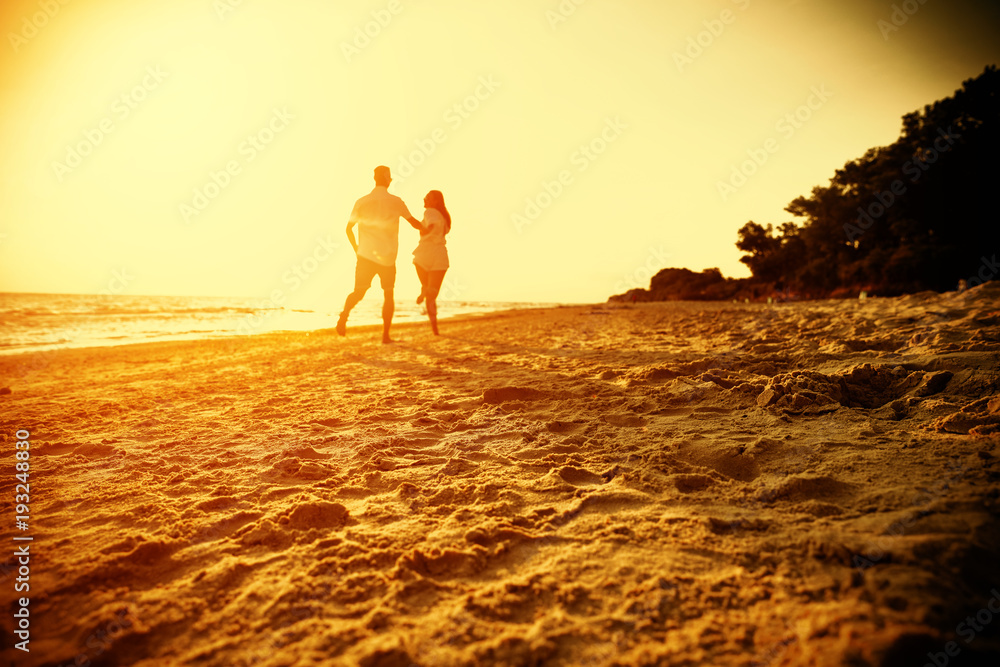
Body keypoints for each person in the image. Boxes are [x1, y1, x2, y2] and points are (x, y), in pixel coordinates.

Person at [337, 166, 422, 344]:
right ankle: (385, 336)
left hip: (365, 256)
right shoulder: (396, 201)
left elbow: (348, 229)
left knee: (359, 292)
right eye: (390, 176)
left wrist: (357, 250)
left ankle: (344, 316)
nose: (391, 179)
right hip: (387, 258)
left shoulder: (361, 201)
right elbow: (413, 222)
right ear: (385, 177)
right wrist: (429, 229)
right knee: (388, 294)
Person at [412, 190, 452, 335]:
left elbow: (432, 225)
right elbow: (441, 228)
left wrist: (426, 231)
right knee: (432, 295)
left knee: (419, 268)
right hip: (440, 254)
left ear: (435, 201)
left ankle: (424, 288)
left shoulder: (430, 212)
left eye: (427, 197)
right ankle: (434, 327)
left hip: (425, 252)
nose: (424, 199)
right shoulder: (444, 217)